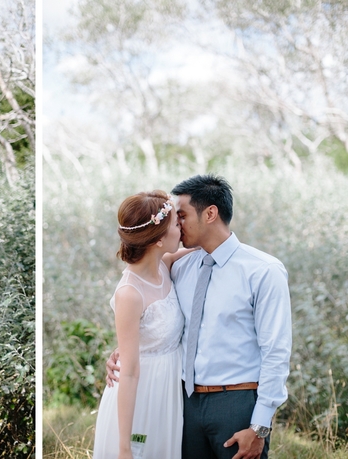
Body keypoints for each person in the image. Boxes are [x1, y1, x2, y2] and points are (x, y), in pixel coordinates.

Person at [105, 174, 292, 459]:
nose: (177, 224)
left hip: (236, 403)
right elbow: (151, 318)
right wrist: (125, 350)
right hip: (181, 404)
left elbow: (276, 351)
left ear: (210, 213)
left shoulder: (263, 271)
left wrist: (261, 425)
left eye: (181, 215)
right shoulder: (179, 267)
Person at [92, 190, 189, 459]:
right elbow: (131, 372)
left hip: (167, 391)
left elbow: (208, 241)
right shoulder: (129, 294)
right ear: (158, 239)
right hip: (141, 396)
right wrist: (124, 447)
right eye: (175, 225)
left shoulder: (164, 265)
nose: (181, 227)